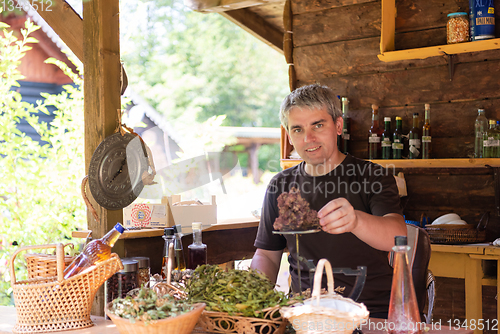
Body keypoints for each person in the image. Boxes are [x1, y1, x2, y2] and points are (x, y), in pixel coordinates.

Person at [250, 84, 407, 318]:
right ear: (289, 136)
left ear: (338, 126)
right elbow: (267, 255)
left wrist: (357, 222)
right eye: (298, 129)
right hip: (304, 316)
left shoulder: (373, 176)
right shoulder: (280, 186)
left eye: (318, 125)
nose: (308, 138)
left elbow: (397, 236)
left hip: (370, 315)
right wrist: (252, 296)